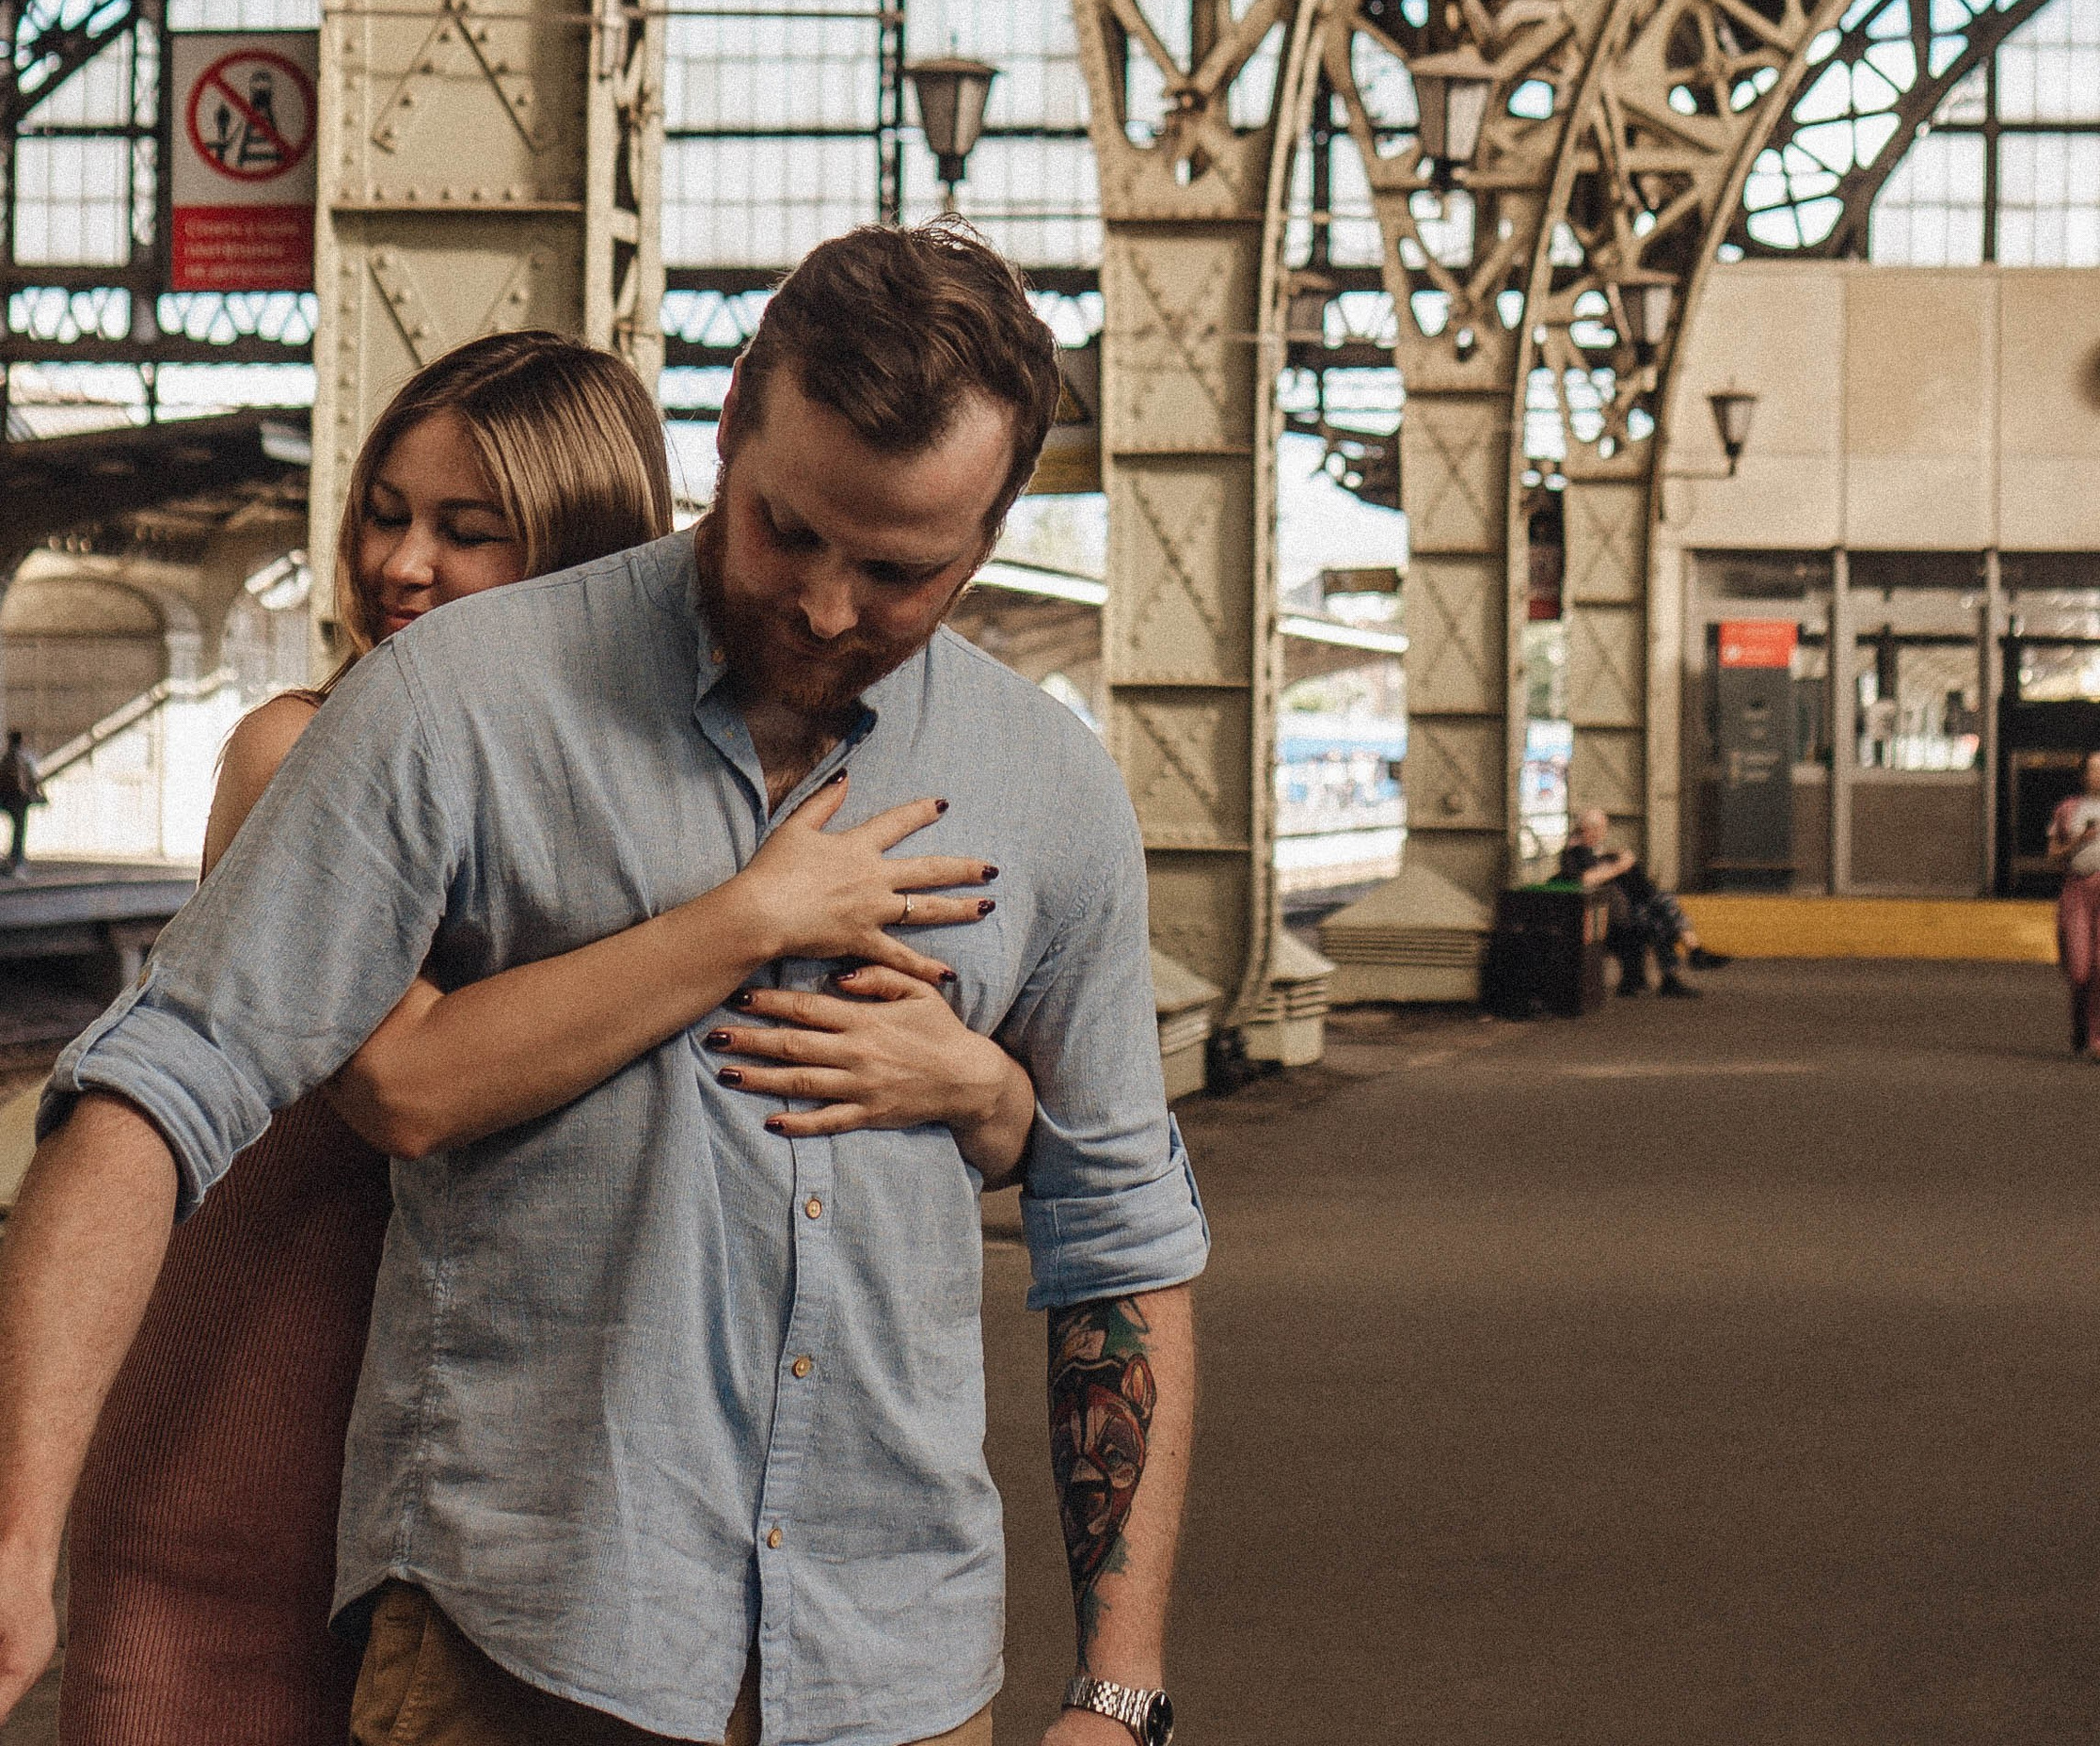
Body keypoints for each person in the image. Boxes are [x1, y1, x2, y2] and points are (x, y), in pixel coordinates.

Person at [0, 225, 1203, 1746]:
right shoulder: (455, 705)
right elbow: (163, 1085)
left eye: (900, 571)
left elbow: (1119, 1231)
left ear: (992, 530)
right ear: (730, 429)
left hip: (899, 1660)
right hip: (523, 1643)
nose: (829, 607)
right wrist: (15, 1527)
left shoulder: (1052, 793)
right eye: (787, 532)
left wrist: (1120, 1686)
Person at [1554, 803, 1700, 997]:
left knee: (1663, 909)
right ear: (1588, 830)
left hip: (1626, 909)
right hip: (1604, 917)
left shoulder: (1596, 852)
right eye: (1600, 829)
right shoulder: (1574, 853)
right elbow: (1585, 878)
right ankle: (1690, 950)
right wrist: (1620, 866)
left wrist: (1619, 860)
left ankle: (1680, 962)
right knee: (1661, 914)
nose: (1603, 833)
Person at [2048, 745, 2100, 1062]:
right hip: (2076, 890)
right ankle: (2081, 1022)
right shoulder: (2068, 810)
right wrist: (2077, 841)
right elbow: (2053, 853)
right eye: (2094, 769)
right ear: (2083, 776)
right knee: (2080, 967)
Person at [0, 734, 40, 872]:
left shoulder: (6, 758)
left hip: (7, 798)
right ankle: (16, 860)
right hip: (20, 799)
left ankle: (14, 859)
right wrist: (37, 794)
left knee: (17, 828)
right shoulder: (25, 757)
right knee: (19, 830)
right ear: (21, 741)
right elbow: (33, 778)